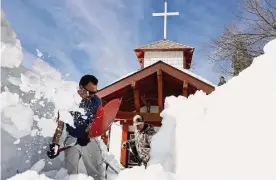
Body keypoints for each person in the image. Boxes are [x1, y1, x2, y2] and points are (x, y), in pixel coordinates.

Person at [46, 75, 104, 180]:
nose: (93, 95)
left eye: (95, 92)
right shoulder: (68, 100)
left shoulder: (96, 101)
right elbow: (60, 125)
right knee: (69, 173)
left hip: (89, 139)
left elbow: (94, 122)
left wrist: (87, 135)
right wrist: (55, 143)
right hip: (72, 139)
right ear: (81, 88)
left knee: (96, 172)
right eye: (90, 92)